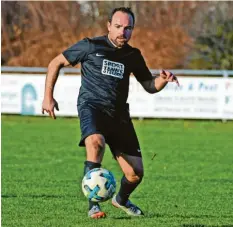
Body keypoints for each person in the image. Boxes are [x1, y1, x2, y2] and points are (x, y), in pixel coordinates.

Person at [42, 7, 179, 219]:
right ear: (108, 26)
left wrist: (163, 79)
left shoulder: (133, 55)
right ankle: (93, 205)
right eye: (118, 27)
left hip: (119, 115)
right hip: (92, 106)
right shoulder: (90, 45)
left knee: (135, 174)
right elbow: (55, 62)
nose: (122, 32)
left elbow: (150, 85)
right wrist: (48, 97)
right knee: (95, 142)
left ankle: (121, 200)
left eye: (128, 28)